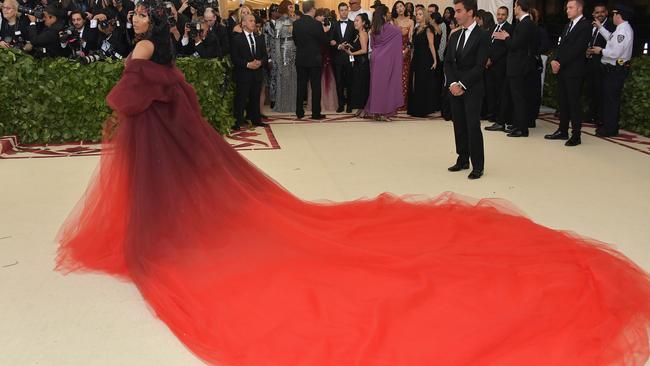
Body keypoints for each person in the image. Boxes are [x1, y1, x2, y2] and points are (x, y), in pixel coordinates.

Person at [55, 0, 650, 365]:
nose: (133, 17)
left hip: (156, 141)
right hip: (166, 139)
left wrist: (130, 72)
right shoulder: (164, 51)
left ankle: (160, 241)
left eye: (137, 13)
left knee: (169, 200)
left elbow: (125, 96)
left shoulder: (144, 47)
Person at [444, 0, 489, 180]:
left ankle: (477, 165)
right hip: (455, 87)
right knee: (459, 125)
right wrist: (453, 83)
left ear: (470, 12)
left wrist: (462, 84)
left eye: (459, 11)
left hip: (473, 88)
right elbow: (447, 62)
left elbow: (480, 66)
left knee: (472, 126)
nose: (456, 15)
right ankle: (462, 159)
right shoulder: (455, 35)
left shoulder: (483, 35)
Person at [544, 0, 591, 146]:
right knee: (563, 102)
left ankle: (576, 135)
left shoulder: (585, 26)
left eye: (570, 8)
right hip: (563, 70)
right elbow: (561, 45)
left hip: (574, 71)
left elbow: (577, 49)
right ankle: (562, 130)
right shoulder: (568, 25)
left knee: (573, 103)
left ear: (579, 9)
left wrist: (560, 62)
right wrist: (554, 60)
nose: (567, 10)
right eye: (567, 8)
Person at [493, 0, 539, 138]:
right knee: (517, 97)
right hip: (518, 66)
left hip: (519, 66)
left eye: (515, 6)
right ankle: (518, 124)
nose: (514, 8)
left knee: (518, 98)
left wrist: (506, 37)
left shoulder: (525, 24)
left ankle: (522, 128)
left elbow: (514, 45)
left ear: (519, 7)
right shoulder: (524, 23)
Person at [589, 4, 634, 137]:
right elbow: (610, 39)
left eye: (614, 14)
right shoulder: (620, 29)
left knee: (611, 101)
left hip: (615, 70)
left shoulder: (623, 31)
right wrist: (601, 28)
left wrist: (601, 50)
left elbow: (615, 52)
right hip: (613, 70)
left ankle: (610, 129)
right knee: (609, 99)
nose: (612, 17)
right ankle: (608, 126)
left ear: (618, 15)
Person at [361, 4, 403, 120]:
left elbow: (373, 45)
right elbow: (400, 33)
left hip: (376, 58)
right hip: (386, 60)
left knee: (376, 85)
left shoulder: (374, 28)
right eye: (388, 12)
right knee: (386, 85)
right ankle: (384, 112)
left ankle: (376, 112)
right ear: (384, 15)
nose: (390, 14)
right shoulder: (390, 28)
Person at [292, 0, 330, 119]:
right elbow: (324, 41)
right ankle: (315, 113)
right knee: (315, 86)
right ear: (312, 9)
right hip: (314, 59)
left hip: (301, 58)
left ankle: (299, 112)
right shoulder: (317, 24)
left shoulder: (296, 24)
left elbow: (295, 41)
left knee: (301, 86)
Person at [231, 13, 268, 131]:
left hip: (257, 74)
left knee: (255, 97)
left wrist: (260, 62)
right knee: (241, 99)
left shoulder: (260, 38)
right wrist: (247, 64)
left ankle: (256, 120)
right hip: (243, 74)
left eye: (254, 21)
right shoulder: (237, 39)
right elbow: (234, 58)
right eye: (251, 21)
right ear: (243, 23)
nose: (254, 23)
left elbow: (265, 55)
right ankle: (237, 122)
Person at [585, 3, 616, 127]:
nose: (600, 14)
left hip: (603, 63)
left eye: (602, 12)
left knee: (600, 91)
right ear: (593, 14)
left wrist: (599, 51)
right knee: (590, 90)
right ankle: (590, 115)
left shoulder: (611, 27)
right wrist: (587, 51)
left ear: (606, 13)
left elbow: (612, 43)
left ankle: (599, 117)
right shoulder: (590, 26)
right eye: (597, 12)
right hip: (589, 63)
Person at [407, 7, 440, 117]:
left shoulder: (428, 29)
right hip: (416, 58)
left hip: (425, 58)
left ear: (424, 16)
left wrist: (435, 60)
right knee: (414, 82)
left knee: (422, 82)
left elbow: (431, 45)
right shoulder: (416, 29)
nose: (417, 16)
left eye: (420, 14)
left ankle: (423, 109)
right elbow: (413, 46)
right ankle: (414, 108)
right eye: (417, 14)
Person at [484, 6, 512, 131]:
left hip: (500, 66)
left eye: (503, 14)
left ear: (507, 15)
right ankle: (493, 115)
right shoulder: (493, 28)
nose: (500, 16)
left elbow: (504, 48)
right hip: (489, 66)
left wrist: (492, 59)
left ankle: (501, 119)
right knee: (491, 92)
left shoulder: (510, 28)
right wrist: (486, 58)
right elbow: (489, 45)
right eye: (498, 14)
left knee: (500, 93)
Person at [269, 0, 297, 113]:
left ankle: (292, 105)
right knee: (284, 77)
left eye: (292, 7)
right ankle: (283, 105)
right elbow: (276, 40)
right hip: (283, 50)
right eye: (290, 7)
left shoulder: (294, 20)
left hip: (294, 49)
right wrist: (277, 57)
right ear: (285, 7)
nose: (292, 9)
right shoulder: (279, 22)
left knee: (292, 76)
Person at [330, 2, 356, 113]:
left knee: (350, 82)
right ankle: (340, 105)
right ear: (338, 11)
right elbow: (330, 40)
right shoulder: (334, 24)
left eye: (345, 9)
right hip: (337, 58)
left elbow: (357, 41)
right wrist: (338, 45)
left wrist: (350, 46)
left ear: (348, 10)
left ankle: (350, 105)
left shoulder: (353, 24)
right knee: (339, 82)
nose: (344, 12)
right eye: (341, 10)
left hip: (350, 57)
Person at [345, 13, 370, 113]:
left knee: (362, 86)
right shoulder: (358, 34)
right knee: (358, 86)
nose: (355, 23)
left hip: (362, 65)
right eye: (354, 21)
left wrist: (352, 53)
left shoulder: (363, 34)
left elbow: (364, 50)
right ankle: (361, 108)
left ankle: (364, 109)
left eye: (357, 21)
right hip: (358, 63)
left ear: (363, 22)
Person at [391, 1, 414, 108]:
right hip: (393, 52)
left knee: (404, 77)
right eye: (397, 7)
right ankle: (393, 102)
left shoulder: (410, 21)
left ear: (404, 8)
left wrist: (406, 51)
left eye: (401, 6)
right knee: (394, 77)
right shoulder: (393, 21)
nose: (399, 9)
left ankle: (403, 103)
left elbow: (410, 39)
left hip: (406, 52)